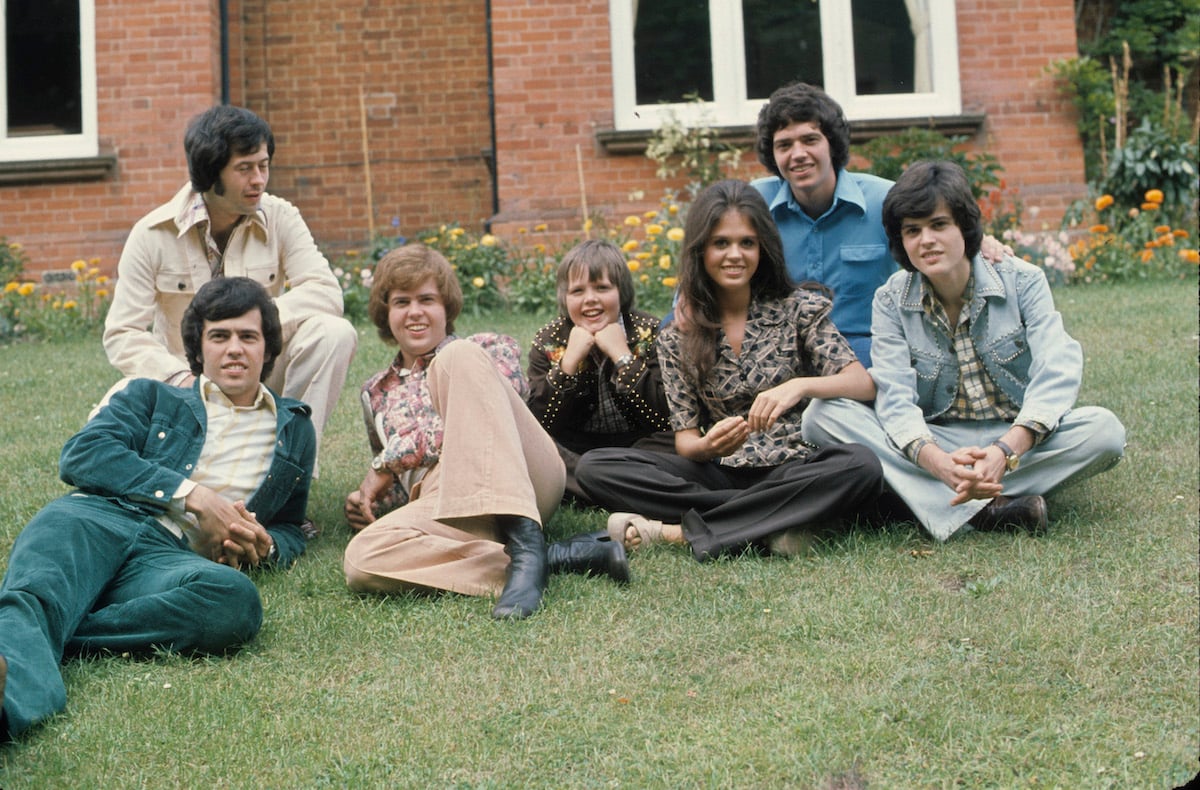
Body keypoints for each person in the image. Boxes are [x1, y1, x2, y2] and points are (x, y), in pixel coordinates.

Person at [0, 277, 316, 742]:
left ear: (268, 348)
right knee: (34, 596)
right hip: (94, 517)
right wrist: (193, 495)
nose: (234, 349)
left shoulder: (294, 427)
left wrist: (264, 546)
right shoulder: (153, 395)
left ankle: (52, 630)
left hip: (169, 557)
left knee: (234, 602)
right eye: (219, 336)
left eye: (248, 336)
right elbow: (83, 454)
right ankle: (9, 697)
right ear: (198, 348)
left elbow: (291, 524)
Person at [802, 160, 1125, 540]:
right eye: (912, 231)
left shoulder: (1024, 281)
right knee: (822, 415)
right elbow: (894, 396)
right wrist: (936, 462)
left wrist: (1005, 451)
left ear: (964, 228)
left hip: (1017, 437)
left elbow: (1058, 368)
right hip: (938, 439)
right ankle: (984, 509)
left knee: (1105, 432)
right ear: (900, 241)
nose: (926, 241)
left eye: (939, 225)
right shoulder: (890, 300)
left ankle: (930, 499)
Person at [575, 180, 884, 561]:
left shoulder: (800, 308)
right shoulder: (677, 336)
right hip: (724, 470)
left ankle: (678, 533)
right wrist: (707, 446)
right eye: (721, 243)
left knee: (861, 465)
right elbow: (686, 441)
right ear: (701, 249)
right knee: (597, 467)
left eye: (747, 243)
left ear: (763, 248)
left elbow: (861, 383)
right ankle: (778, 520)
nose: (734, 255)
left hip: (797, 465)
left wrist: (799, 387)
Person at [342, 245, 629, 622]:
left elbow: (482, 423)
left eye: (427, 299)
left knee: (452, 358)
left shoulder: (486, 348)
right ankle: (554, 556)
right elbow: (402, 488)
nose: (415, 312)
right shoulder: (375, 392)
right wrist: (369, 502)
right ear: (386, 313)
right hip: (445, 500)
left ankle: (526, 538)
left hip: (520, 476)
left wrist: (388, 461)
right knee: (362, 559)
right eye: (401, 302)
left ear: (447, 307)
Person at [101, 104, 356, 476]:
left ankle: (288, 476)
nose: (259, 180)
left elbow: (325, 292)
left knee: (334, 333)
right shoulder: (152, 234)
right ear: (210, 172)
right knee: (111, 408)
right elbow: (122, 333)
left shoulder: (281, 216)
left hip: (261, 371)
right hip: (187, 382)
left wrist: (254, 323)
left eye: (263, 165)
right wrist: (181, 379)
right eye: (244, 168)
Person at [749, 82, 1008, 366]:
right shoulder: (755, 204)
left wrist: (981, 242)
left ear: (832, 145)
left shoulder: (884, 199)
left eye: (810, 140)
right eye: (784, 145)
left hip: (868, 355)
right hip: (784, 356)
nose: (797, 154)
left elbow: (938, 229)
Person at [526, 239, 673, 504]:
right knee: (534, 448)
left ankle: (594, 489)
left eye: (602, 288)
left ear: (621, 292)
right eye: (577, 291)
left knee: (680, 442)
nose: (590, 299)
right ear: (565, 298)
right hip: (575, 452)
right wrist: (568, 364)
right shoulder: (548, 341)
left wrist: (623, 358)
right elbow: (540, 424)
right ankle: (622, 488)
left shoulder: (650, 332)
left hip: (639, 447)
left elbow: (664, 418)